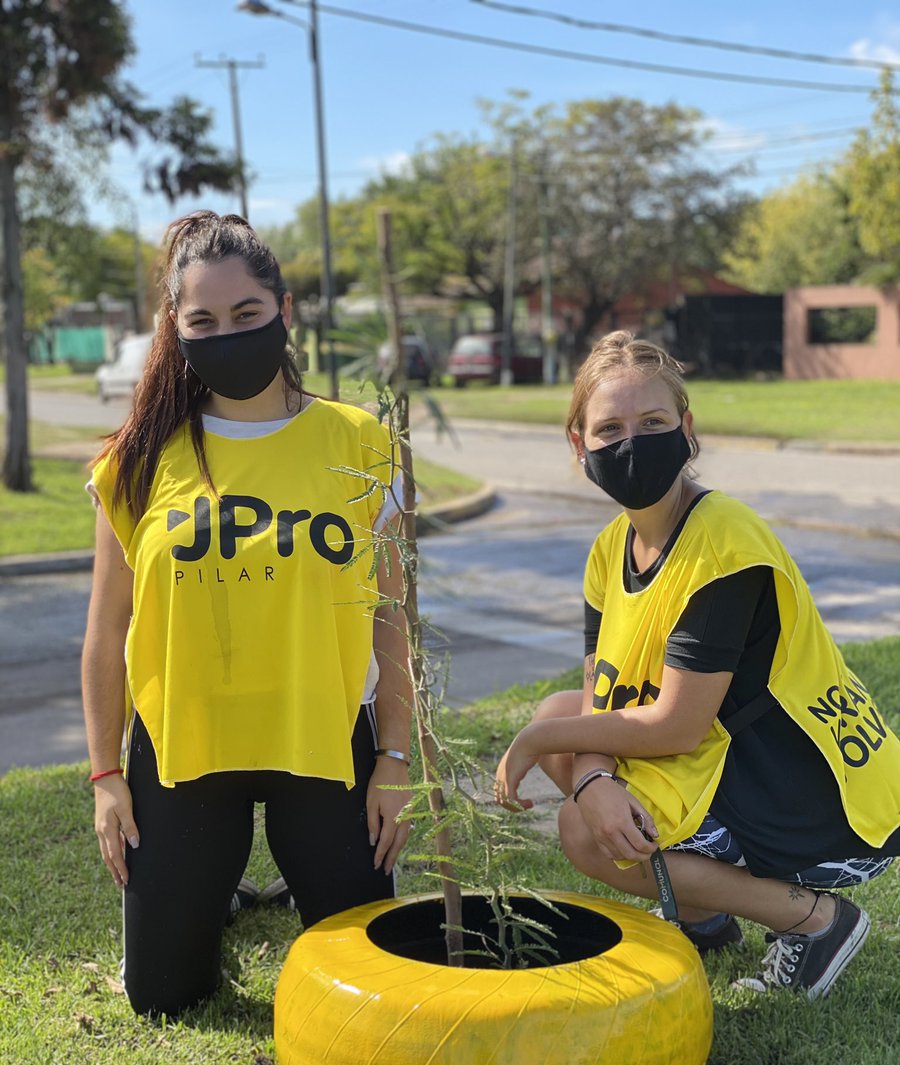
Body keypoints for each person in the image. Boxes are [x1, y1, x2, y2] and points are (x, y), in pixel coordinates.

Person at [495, 331, 900, 999]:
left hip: (817, 799)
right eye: (610, 428)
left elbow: (677, 729)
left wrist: (543, 748)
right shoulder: (609, 549)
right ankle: (703, 915)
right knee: (564, 720)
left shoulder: (723, 541)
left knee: (582, 828)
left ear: (687, 430)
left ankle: (814, 923)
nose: (632, 443)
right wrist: (594, 778)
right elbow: (601, 701)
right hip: (736, 762)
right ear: (580, 447)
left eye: (653, 423)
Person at [83, 212, 412, 1018]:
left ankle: (255, 885)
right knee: (162, 996)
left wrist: (395, 762)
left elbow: (391, 619)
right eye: (203, 321)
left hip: (325, 741)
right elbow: (104, 633)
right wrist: (105, 778)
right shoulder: (137, 457)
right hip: (187, 745)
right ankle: (214, 895)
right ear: (175, 327)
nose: (226, 334)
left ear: (285, 310)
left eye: (246, 315)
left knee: (368, 982)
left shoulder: (364, 444)